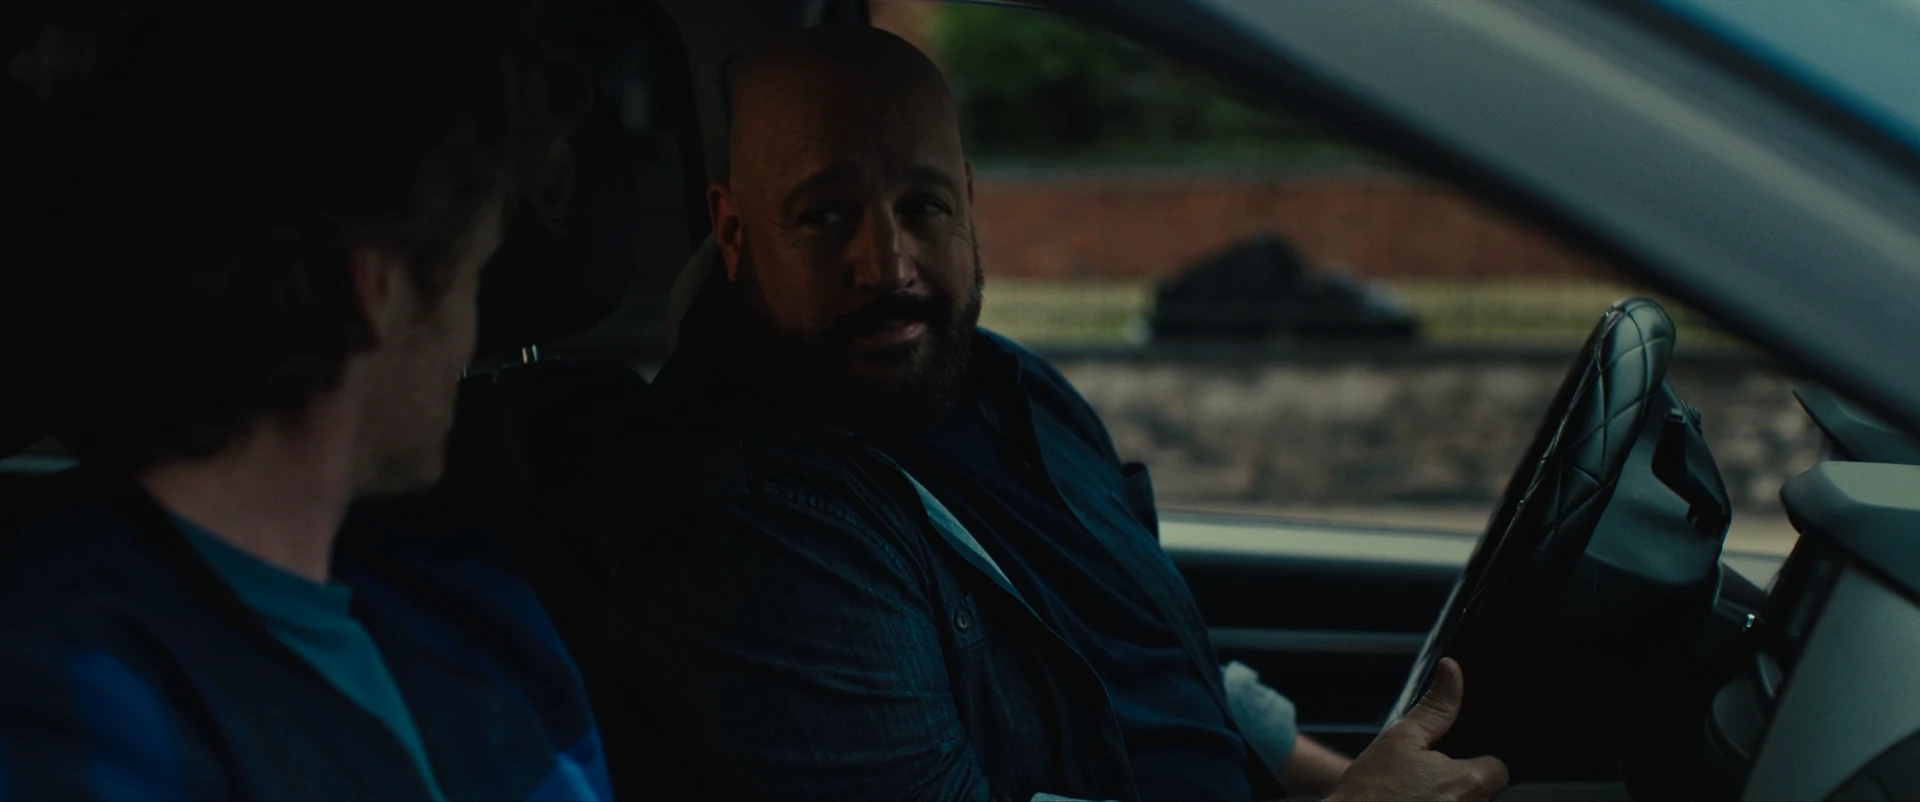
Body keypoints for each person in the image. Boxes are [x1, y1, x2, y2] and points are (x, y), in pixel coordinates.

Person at [598, 25, 1508, 802]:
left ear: (966, 202)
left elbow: (1148, 656)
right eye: (827, 216)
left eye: (924, 206)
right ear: (734, 233)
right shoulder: (750, 521)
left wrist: (1354, 778)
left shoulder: (1012, 386)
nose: (890, 265)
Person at [0, 1, 610, 798]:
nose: (469, 336)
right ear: (377, 289)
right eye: (473, 276)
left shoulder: (474, 607)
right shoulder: (68, 687)